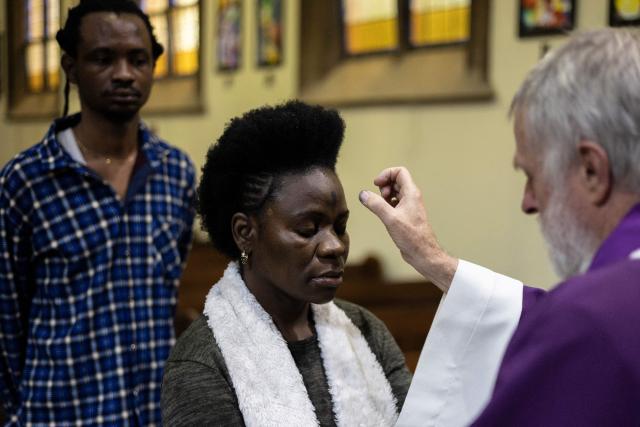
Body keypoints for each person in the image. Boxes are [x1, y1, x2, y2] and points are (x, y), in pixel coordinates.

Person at [360, 28, 640, 426]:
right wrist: (433, 260)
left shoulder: (590, 322)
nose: (528, 202)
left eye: (533, 176)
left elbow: (586, 325)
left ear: (592, 170)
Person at [0, 0, 195, 424]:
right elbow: (6, 321)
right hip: (60, 412)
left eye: (138, 59)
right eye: (103, 59)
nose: (124, 73)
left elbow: (168, 292)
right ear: (71, 68)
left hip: (153, 413)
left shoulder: (175, 172)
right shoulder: (26, 180)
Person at [161, 101, 411, 426]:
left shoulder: (364, 330)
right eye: (308, 229)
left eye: (340, 227)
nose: (334, 246)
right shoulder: (203, 362)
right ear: (245, 232)